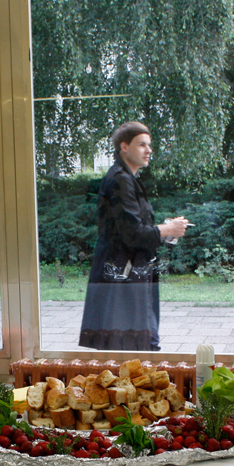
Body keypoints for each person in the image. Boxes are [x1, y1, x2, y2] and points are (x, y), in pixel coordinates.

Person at [78, 122, 189, 351]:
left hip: (128, 271)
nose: (149, 150)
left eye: (149, 145)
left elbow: (132, 227)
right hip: (123, 274)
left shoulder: (128, 178)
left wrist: (166, 230)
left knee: (132, 345)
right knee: (129, 348)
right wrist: (169, 230)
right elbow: (133, 233)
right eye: (142, 145)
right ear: (124, 147)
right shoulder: (121, 180)